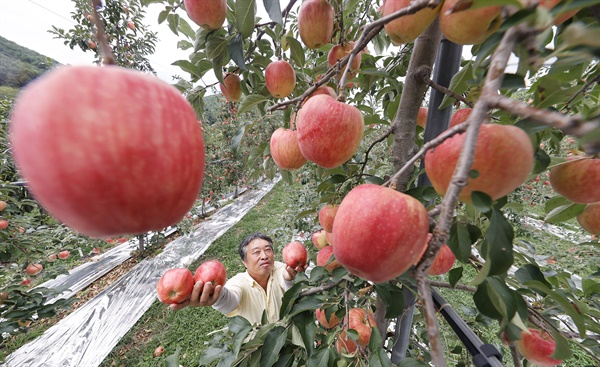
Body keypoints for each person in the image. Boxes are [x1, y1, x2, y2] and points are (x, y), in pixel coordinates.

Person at [171, 233, 307, 325]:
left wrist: (289, 279)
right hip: (257, 350)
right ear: (244, 262)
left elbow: (287, 282)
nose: (264, 256)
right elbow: (230, 299)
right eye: (256, 252)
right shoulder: (239, 282)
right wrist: (216, 297)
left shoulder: (281, 268)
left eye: (268, 250)